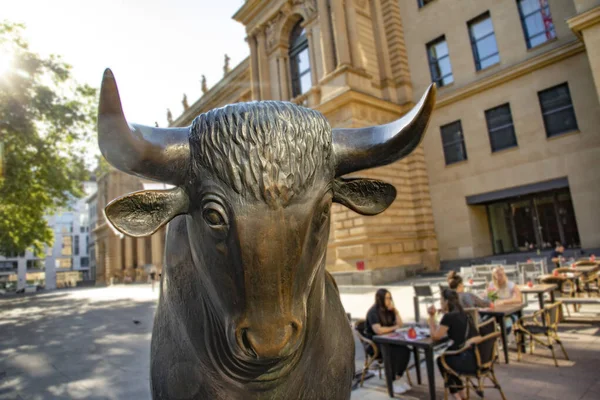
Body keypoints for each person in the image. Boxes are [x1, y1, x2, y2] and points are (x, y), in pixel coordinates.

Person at [428, 289, 480, 400]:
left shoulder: (449, 317)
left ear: (446, 302)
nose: (440, 303)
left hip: (465, 360)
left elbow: (435, 336)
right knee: (448, 357)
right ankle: (461, 393)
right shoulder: (463, 313)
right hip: (475, 357)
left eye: (441, 300)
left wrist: (431, 318)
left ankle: (456, 395)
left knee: (441, 360)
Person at [364, 289, 412, 394]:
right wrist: (394, 327)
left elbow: (400, 323)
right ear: (380, 299)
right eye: (386, 298)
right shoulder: (373, 312)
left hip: (389, 340)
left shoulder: (389, 310)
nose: (389, 300)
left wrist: (396, 311)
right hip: (375, 344)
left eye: (390, 298)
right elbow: (379, 330)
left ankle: (398, 376)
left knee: (406, 350)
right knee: (393, 353)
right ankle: (392, 380)